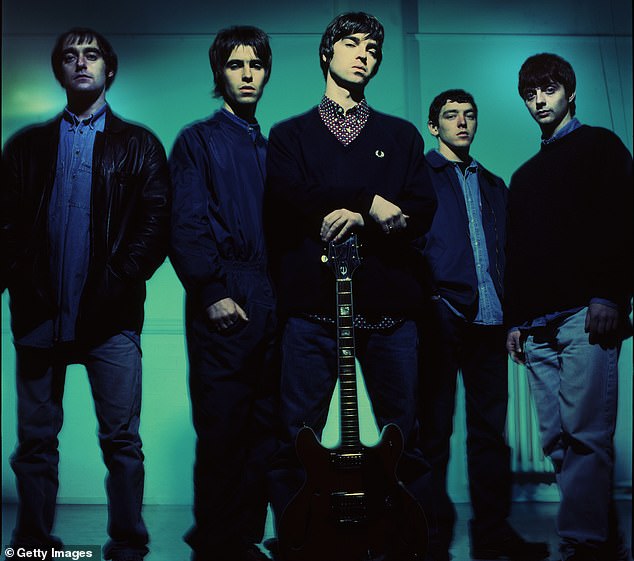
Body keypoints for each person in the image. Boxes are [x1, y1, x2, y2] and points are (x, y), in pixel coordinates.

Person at [265, 11, 437, 557]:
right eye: (352, 43)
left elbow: (421, 210)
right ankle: (301, 536)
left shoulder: (402, 135)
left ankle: (400, 536)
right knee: (296, 433)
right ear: (326, 53)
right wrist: (368, 203)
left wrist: (375, 214)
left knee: (403, 434)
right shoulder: (289, 135)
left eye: (373, 48)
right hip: (314, 307)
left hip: (390, 306)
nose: (365, 53)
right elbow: (292, 198)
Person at [1, 28, 171, 561]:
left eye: (91, 55)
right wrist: (18, 277)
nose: (81, 63)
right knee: (34, 443)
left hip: (110, 317)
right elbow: (4, 224)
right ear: (59, 70)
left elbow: (156, 221)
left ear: (109, 69)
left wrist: (120, 277)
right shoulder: (26, 145)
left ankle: (127, 542)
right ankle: (32, 542)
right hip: (38, 313)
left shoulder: (138, 143)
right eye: (70, 56)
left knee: (122, 442)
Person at [505, 53, 632, 561]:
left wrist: (609, 295)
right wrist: (514, 321)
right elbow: (516, 253)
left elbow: (623, 222)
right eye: (531, 92)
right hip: (536, 328)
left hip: (585, 314)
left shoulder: (601, 146)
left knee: (586, 436)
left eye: (549, 89)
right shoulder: (524, 175)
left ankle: (583, 546)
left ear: (570, 92)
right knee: (557, 440)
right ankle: (605, 542)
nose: (539, 99)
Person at [418, 89, 549, 561]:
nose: (461, 122)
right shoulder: (419, 178)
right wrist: (428, 299)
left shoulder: (495, 185)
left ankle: (492, 533)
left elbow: (512, 258)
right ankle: (430, 535)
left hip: (491, 321)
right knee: (432, 432)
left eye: (469, 116)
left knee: (490, 435)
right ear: (434, 126)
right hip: (440, 319)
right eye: (451, 116)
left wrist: (515, 320)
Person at [168, 26, 277, 561]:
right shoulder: (197, 139)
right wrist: (211, 288)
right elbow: (184, 222)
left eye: (256, 64)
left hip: (272, 295)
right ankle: (215, 539)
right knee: (222, 423)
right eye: (237, 65)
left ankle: (245, 536)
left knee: (268, 423)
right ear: (221, 74)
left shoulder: (273, 144)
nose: (248, 73)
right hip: (226, 289)